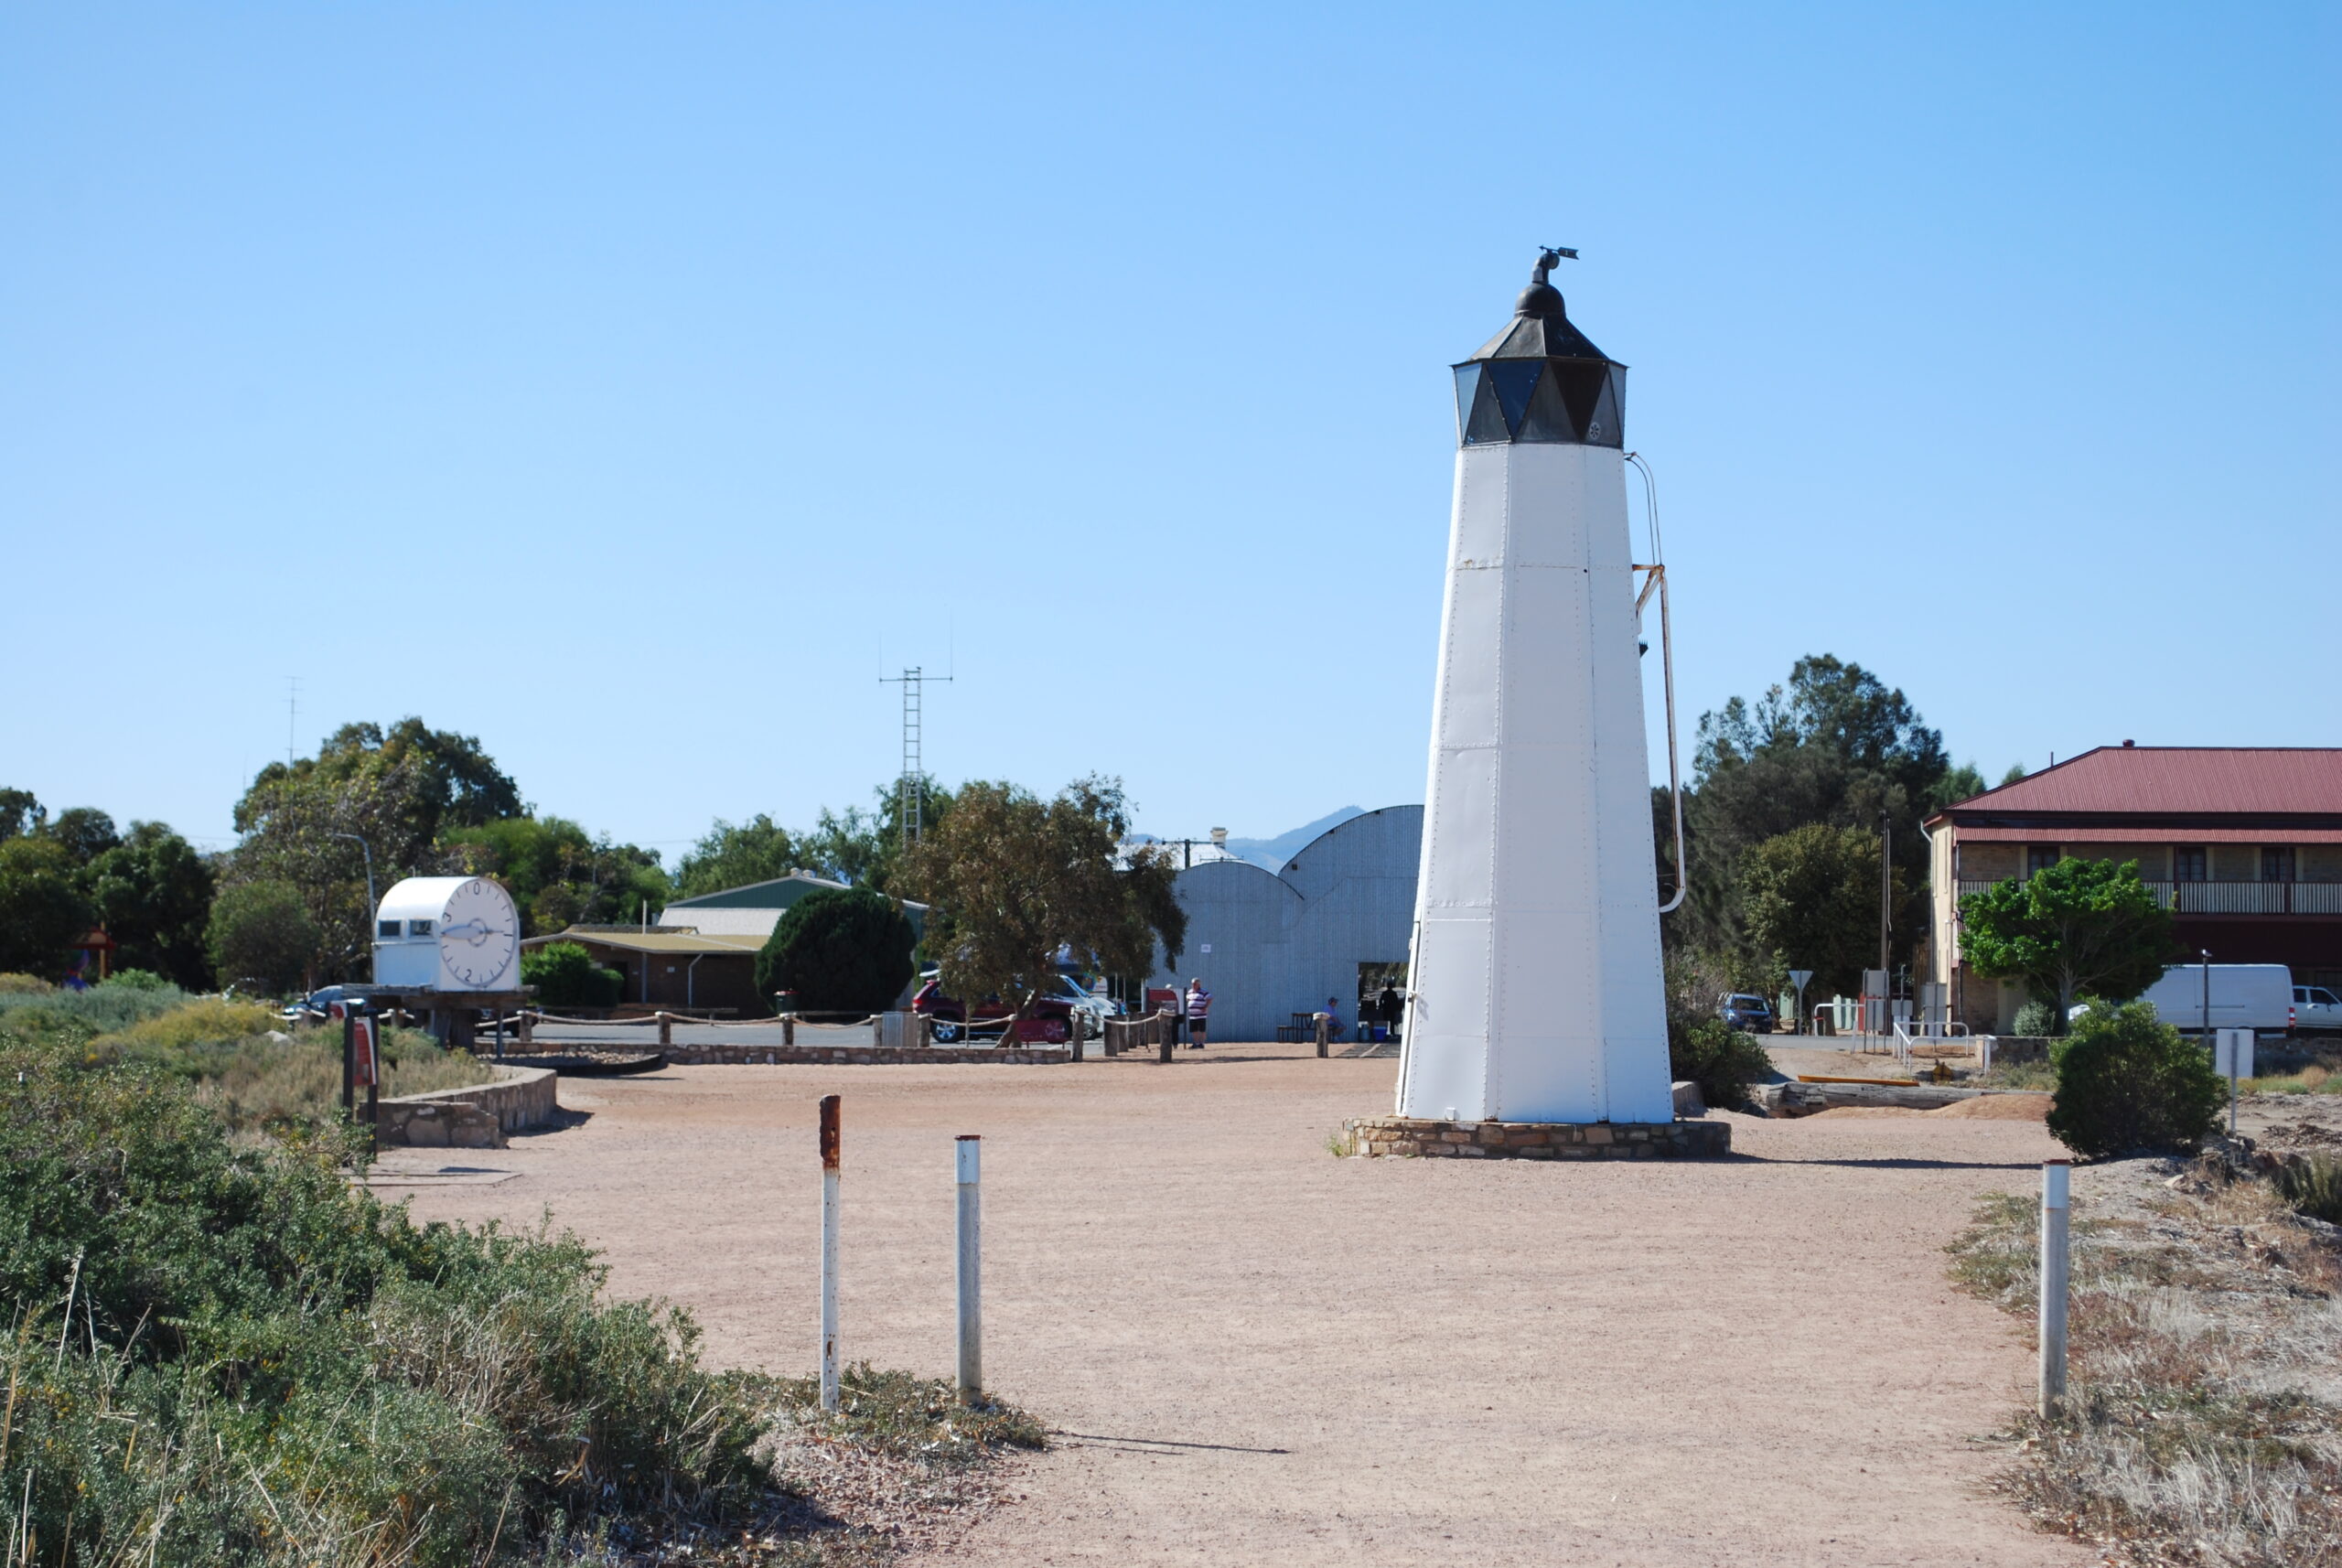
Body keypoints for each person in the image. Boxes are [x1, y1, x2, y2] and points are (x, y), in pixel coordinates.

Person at [1184, 978, 1211, 1048]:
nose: (1193, 985)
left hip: (1201, 1015)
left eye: (1195, 984)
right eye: (1192, 984)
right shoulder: (1190, 992)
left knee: (1202, 1030)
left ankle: (1202, 1044)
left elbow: (1210, 998)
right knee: (1194, 1030)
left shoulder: (1203, 992)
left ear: (1199, 984)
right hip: (1192, 1015)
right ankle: (1196, 1043)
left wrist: (1205, 1007)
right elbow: (1187, 999)